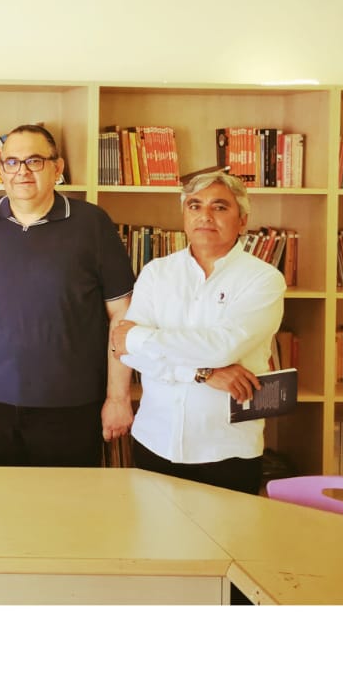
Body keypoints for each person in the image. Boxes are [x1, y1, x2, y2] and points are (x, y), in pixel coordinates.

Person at [0, 124, 135, 467]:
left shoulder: (93, 224)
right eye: (11, 162)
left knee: (63, 500)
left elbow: (122, 315)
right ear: (1, 169)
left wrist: (118, 397)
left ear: (57, 167)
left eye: (34, 161)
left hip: (70, 404)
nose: (22, 171)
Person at [110, 170, 286, 494]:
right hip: (155, 439)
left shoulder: (264, 279)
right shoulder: (156, 272)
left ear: (242, 220)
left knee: (227, 530)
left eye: (219, 207)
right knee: (152, 529)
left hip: (227, 447)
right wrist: (203, 374)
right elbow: (130, 356)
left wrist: (138, 338)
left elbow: (221, 347)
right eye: (194, 206)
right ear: (184, 215)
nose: (205, 216)